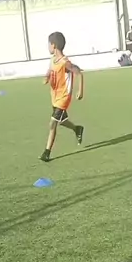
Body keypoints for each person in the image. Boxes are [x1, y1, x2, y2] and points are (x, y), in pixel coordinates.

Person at [39, 31, 84, 163]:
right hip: (55, 96)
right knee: (62, 121)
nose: (48, 47)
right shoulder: (53, 60)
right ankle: (77, 129)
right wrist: (46, 77)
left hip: (63, 98)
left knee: (53, 123)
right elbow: (50, 70)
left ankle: (46, 152)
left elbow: (78, 72)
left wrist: (80, 90)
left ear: (53, 45)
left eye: (49, 44)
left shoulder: (65, 62)